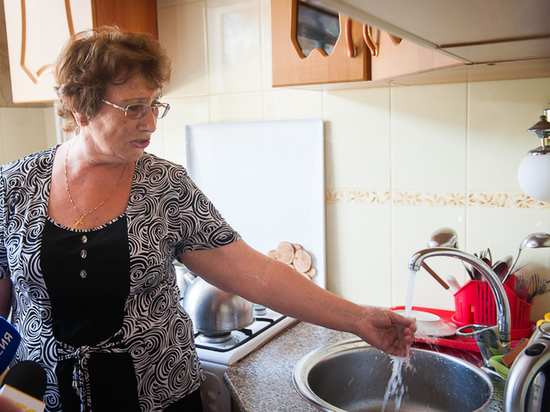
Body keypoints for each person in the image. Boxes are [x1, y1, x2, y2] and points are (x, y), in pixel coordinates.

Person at [0, 27, 416, 412]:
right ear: (79, 106)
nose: (149, 123)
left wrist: (358, 318)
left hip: (159, 396)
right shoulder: (13, 185)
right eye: (132, 108)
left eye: (154, 105)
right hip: (43, 399)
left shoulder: (164, 184)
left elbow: (257, 273)